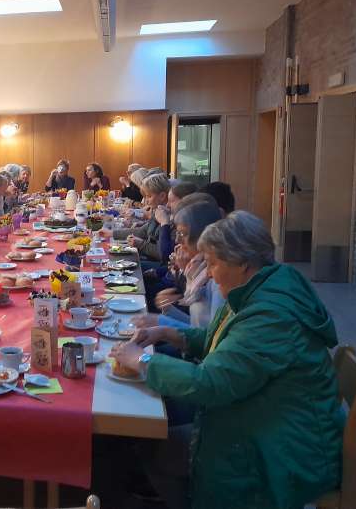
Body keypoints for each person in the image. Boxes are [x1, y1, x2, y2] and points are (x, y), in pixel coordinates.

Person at [112, 212, 343, 509]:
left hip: (281, 450)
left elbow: (210, 383)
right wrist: (169, 333)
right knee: (153, 429)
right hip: (267, 419)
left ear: (242, 262)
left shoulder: (271, 316)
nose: (208, 274)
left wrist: (142, 360)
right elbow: (225, 343)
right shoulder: (262, 289)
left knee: (151, 444)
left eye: (212, 263)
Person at [134, 200, 224, 331]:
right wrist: (168, 309)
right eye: (177, 233)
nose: (177, 240)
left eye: (182, 234)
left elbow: (208, 337)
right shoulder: (195, 268)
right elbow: (195, 324)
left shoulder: (215, 279)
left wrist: (161, 322)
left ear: (202, 236)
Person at [124, 173, 171, 262]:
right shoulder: (158, 211)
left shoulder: (169, 216)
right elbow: (142, 231)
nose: (146, 201)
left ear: (162, 196)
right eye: (145, 196)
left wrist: (141, 244)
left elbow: (165, 255)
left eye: (149, 196)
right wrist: (111, 233)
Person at [155, 181, 199, 262]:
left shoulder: (188, 223)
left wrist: (164, 223)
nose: (167, 205)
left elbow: (165, 253)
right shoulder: (173, 216)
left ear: (184, 201)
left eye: (171, 201)